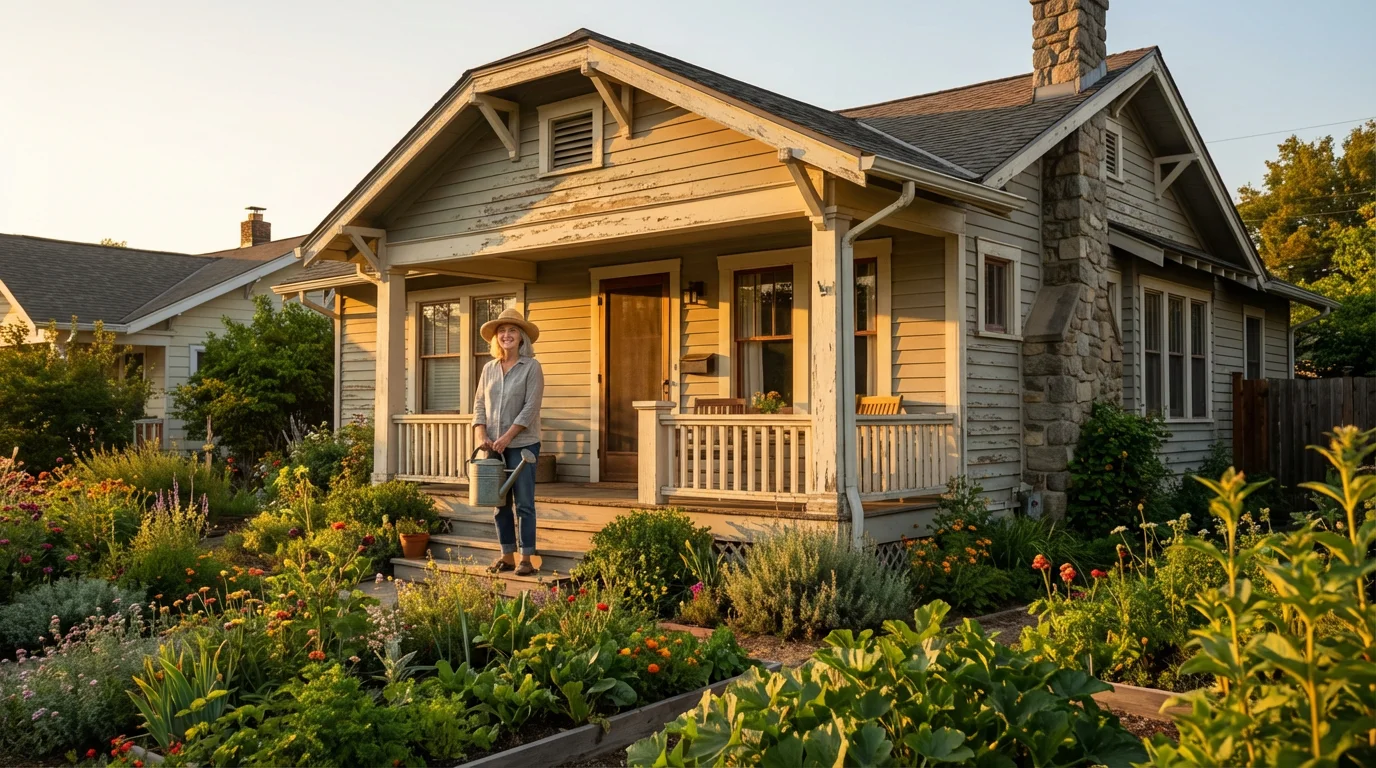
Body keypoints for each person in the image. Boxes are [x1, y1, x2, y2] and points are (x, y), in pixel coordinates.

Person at [473, 307, 545, 576]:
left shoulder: (532, 367)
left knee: (524, 503)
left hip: (523, 445)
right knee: (498, 502)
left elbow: (530, 408)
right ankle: (507, 556)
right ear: (496, 338)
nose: (506, 335)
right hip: (492, 446)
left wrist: (507, 437)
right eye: (502, 331)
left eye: (512, 330)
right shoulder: (489, 368)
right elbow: (479, 404)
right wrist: (482, 435)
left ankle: (526, 558)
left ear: (522, 337)